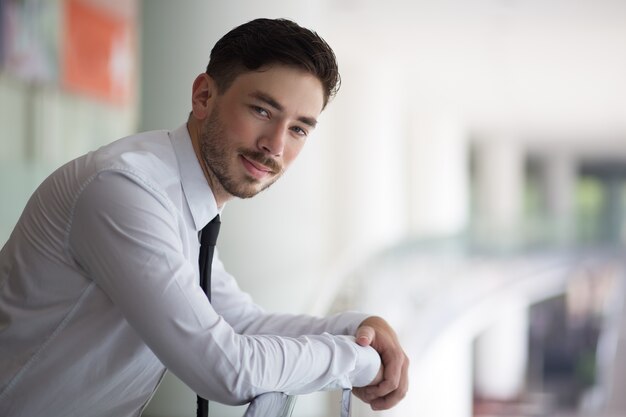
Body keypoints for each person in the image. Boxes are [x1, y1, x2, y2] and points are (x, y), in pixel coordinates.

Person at [0, 18, 409, 416]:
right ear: (203, 97)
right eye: (263, 111)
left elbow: (243, 323)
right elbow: (226, 370)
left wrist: (356, 330)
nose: (275, 145)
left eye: (299, 129)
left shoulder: (186, 204)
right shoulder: (126, 190)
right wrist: (352, 361)